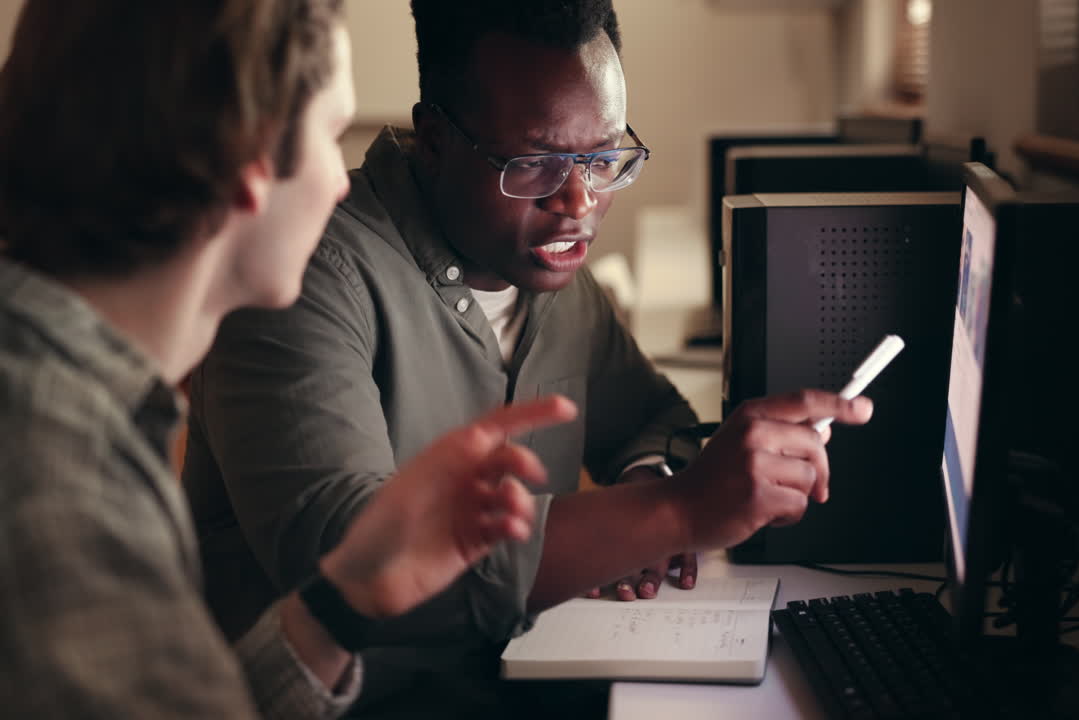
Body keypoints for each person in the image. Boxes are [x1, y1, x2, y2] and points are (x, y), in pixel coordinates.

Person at [183, 0, 875, 712]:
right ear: (433, 138)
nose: (577, 201)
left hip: (509, 684)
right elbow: (343, 562)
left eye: (604, 158)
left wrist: (645, 481)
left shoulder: (553, 276)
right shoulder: (304, 275)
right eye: (534, 164)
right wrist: (676, 510)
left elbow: (648, 415)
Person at [0, 1, 576, 717]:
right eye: (331, 135)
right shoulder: (60, 478)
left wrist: (341, 605)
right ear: (248, 157)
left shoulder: (67, 391)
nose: (340, 182)